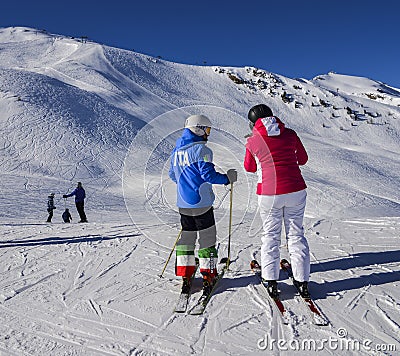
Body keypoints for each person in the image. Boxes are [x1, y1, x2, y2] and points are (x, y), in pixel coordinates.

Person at [244, 104, 310, 298]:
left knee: (271, 235)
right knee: (296, 234)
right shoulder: (290, 134)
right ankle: (302, 280)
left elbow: (249, 168)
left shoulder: (253, 141)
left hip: (269, 193)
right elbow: (303, 159)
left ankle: (270, 278)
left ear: (253, 123)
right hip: (296, 189)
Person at [169, 114, 237, 294]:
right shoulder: (201, 150)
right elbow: (208, 175)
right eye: (206, 130)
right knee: (207, 238)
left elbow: (172, 175)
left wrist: (186, 184)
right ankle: (208, 274)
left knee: (187, 238)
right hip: (201, 203)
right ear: (197, 129)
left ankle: (186, 273)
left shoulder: (176, 151)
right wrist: (227, 179)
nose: (208, 134)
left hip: (183, 204)